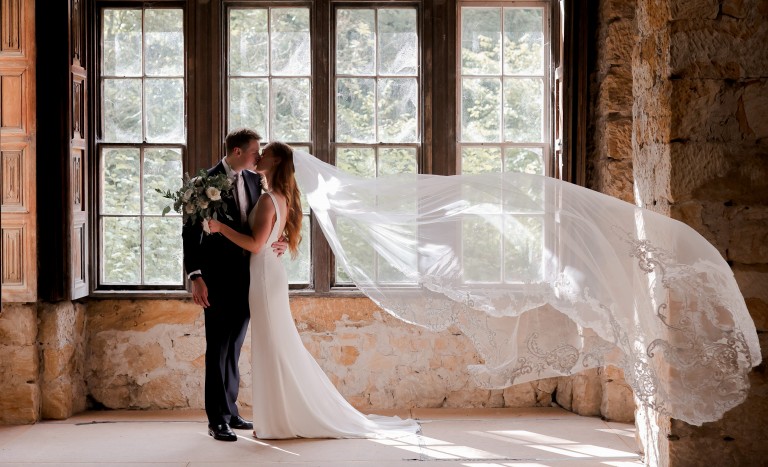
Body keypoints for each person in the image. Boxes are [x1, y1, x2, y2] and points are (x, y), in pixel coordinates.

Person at [209, 142, 420, 439]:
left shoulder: (270, 199)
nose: (259, 156)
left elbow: (256, 244)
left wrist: (220, 228)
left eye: (265, 153)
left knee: (274, 346)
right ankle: (275, 417)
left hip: (265, 276)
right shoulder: (276, 195)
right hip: (266, 273)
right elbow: (267, 237)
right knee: (276, 345)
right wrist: (274, 240)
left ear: (277, 161)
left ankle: (278, 421)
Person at [182, 128, 287, 442]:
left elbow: (262, 225)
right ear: (238, 151)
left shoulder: (256, 181)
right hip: (215, 278)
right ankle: (217, 420)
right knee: (217, 348)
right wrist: (195, 277)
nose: (259, 156)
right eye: (255, 151)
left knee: (235, 347)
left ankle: (231, 410)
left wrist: (277, 242)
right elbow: (190, 235)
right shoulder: (203, 184)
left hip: (250, 276)